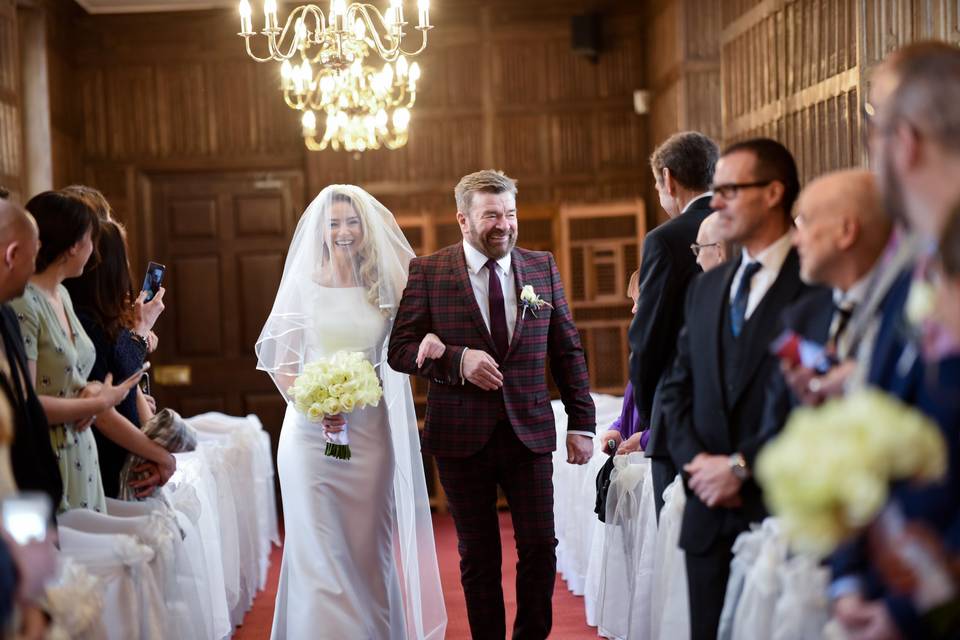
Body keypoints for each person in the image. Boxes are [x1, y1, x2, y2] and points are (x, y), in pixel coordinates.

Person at [388, 169, 595, 640]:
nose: (503, 225)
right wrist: (457, 361)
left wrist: (581, 423)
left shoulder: (541, 267)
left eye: (510, 214)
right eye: (491, 216)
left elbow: (566, 349)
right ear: (463, 220)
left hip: (530, 433)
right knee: (478, 555)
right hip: (461, 437)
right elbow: (399, 350)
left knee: (541, 546)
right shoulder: (429, 271)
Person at [256, 185, 446, 640]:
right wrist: (314, 404)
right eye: (335, 223)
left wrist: (430, 341)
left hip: (369, 435)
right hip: (309, 434)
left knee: (366, 548)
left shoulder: (386, 283)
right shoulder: (304, 283)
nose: (344, 231)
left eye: (352, 222)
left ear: (366, 228)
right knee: (318, 550)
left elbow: (413, 335)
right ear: (321, 231)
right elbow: (281, 364)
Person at [659, 138, 817, 640]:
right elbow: (676, 388)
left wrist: (741, 468)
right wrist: (699, 467)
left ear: (773, 193)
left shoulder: (816, 283)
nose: (716, 201)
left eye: (729, 189)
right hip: (707, 513)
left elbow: (816, 403)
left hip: (778, 511)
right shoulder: (709, 286)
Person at [828, 41, 960, 640]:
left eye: (873, 126)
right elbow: (870, 422)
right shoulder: (908, 271)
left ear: (904, 141)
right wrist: (849, 577)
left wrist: (910, 609)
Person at [10, 192, 142, 513]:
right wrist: (98, 401)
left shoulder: (64, 295)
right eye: (89, 240)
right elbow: (25, 403)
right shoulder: (25, 302)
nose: (94, 250)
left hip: (82, 445)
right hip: (51, 449)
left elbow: (74, 374)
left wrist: (92, 391)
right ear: (73, 245)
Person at [629, 131, 719, 518]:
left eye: (657, 185)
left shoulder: (664, 239)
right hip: (736, 411)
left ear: (668, 179)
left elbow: (648, 336)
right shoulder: (744, 224)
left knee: (680, 536)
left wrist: (650, 414)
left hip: (679, 412)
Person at [762, 170, 891, 419]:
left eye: (804, 223)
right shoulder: (798, 318)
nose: (795, 240)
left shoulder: (905, 316)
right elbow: (773, 429)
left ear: (846, 231)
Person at [65, 216, 172, 499]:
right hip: (104, 455)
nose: (128, 269)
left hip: (128, 446)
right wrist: (140, 330)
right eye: (123, 260)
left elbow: (129, 385)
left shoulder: (104, 317)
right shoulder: (84, 320)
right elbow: (114, 386)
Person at [0, 198, 62, 510]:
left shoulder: (8, 317)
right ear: (12, 255)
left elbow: (28, 408)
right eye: (33, 256)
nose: (36, 268)